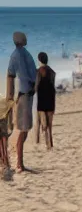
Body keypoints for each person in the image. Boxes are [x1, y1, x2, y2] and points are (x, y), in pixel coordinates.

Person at [6, 31, 37, 173]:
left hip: (25, 94)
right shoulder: (22, 54)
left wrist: (10, 98)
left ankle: (19, 162)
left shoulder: (18, 55)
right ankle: (19, 163)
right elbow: (17, 76)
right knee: (24, 130)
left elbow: (11, 77)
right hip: (26, 94)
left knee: (24, 129)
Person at [34, 52, 56, 150]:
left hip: (42, 100)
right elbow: (52, 85)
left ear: (39, 60)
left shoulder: (38, 72)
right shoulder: (52, 72)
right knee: (50, 125)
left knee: (43, 123)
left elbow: (36, 86)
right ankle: (50, 143)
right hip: (51, 98)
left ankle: (41, 142)